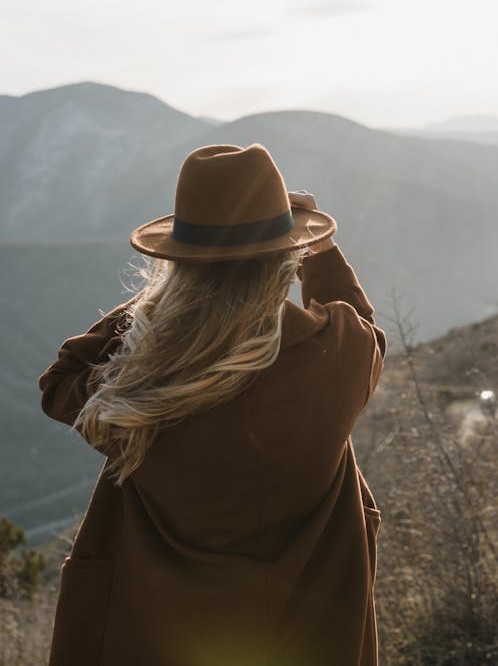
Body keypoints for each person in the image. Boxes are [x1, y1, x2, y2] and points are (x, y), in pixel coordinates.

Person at [39, 142, 387, 666]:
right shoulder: (335, 356)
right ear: (285, 257)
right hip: (308, 640)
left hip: (154, 639)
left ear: (181, 266)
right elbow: (366, 328)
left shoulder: (138, 387)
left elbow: (60, 381)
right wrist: (319, 246)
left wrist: (165, 302)